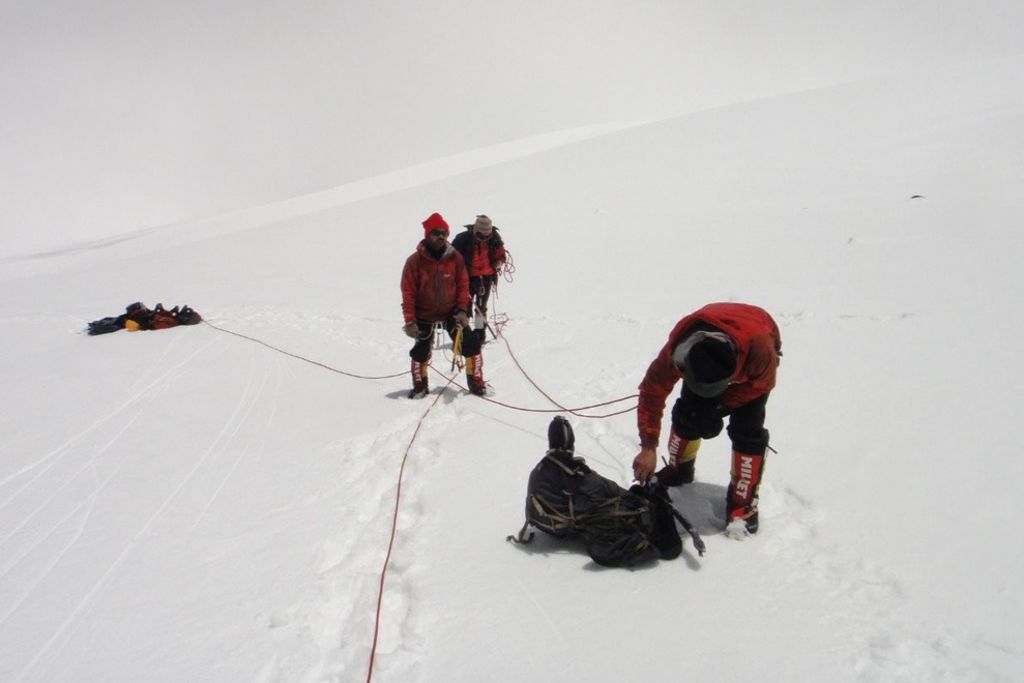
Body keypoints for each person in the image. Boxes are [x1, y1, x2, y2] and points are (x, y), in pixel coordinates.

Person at [631, 302, 781, 538]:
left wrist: (720, 406)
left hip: (752, 357)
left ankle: (743, 504)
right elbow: (652, 392)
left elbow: (763, 384)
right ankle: (679, 470)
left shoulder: (760, 351)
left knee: (747, 431)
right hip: (718, 339)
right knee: (688, 415)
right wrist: (648, 446)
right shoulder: (677, 353)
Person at [400, 212, 486, 397]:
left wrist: (462, 310)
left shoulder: (455, 258)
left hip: (451, 311)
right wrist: (410, 321)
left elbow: (463, 285)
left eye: (444, 233)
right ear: (427, 235)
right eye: (436, 233)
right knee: (420, 351)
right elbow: (408, 293)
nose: (441, 237)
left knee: (471, 343)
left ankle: (476, 383)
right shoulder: (414, 261)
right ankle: (420, 385)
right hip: (424, 313)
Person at [450, 214, 506, 344]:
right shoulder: (462, 239)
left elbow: (501, 255)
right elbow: (452, 258)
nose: (484, 239)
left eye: (487, 236)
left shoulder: (495, 238)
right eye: (481, 236)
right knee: (464, 307)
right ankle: (466, 333)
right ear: (475, 230)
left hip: (486, 278)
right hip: (466, 279)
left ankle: (480, 333)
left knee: (481, 308)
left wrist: (498, 262)